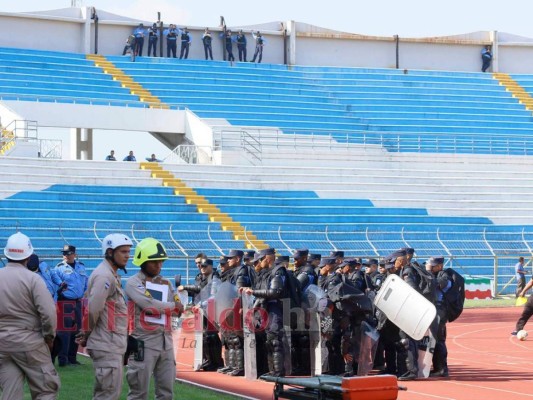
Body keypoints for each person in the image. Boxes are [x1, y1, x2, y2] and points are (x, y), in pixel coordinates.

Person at [0, 232, 60, 399]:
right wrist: (49, 337)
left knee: (10, 392)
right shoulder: (33, 279)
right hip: (29, 341)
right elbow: (48, 313)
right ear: (28, 255)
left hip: (3, 344)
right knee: (46, 389)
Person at [76, 233, 133, 400]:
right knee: (107, 395)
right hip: (107, 344)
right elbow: (93, 309)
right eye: (123, 251)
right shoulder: (104, 276)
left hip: (110, 343)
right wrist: (85, 333)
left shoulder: (110, 274)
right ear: (109, 252)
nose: (127, 255)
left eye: (128, 251)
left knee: (109, 393)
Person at [126, 238, 183, 400]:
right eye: (154, 262)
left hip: (166, 342)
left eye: (161, 262)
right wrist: (173, 306)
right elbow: (150, 305)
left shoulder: (165, 283)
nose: (159, 266)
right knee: (138, 393)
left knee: (166, 393)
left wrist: (174, 306)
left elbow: (178, 306)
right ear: (143, 262)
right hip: (143, 342)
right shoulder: (133, 283)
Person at [179, 257, 223, 371]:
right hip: (201, 309)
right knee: (205, 336)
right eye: (200, 266)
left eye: (204, 266)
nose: (201, 268)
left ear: (210, 266)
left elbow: (213, 294)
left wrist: (201, 303)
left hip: (212, 309)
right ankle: (207, 360)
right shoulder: (200, 277)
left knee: (212, 336)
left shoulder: (214, 276)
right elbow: (198, 291)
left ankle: (216, 362)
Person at [52, 244, 88, 367]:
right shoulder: (58, 268)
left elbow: (86, 283)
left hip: (78, 302)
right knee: (64, 332)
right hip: (64, 302)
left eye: (68, 253)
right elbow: (55, 287)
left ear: (74, 254)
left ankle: (72, 358)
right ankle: (63, 359)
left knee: (77, 331)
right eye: (64, 253)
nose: (65, 255)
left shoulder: (81, 267)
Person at [426, 257, 451, 378]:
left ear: (440, 266)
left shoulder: (444, 276)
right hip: (435, 310)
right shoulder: (437, 274)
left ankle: (442, 369)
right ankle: (438, 368)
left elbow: (438, 284)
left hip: (440, 310)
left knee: (439, 339)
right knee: (435, 339)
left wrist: (427, 273)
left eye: (433, 265)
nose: (430, 267)